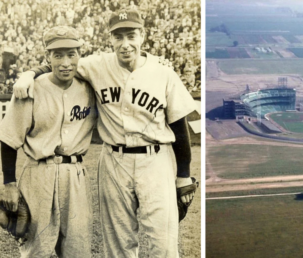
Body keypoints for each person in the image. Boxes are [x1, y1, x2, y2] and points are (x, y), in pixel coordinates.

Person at [14, 7, 197, 258]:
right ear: (110, 39)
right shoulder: (95, 66)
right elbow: (60, 62)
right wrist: (29, 74)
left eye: (131, 35)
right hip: (113, 160)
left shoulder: (164, 73)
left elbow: (180, 125)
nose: (125, 44)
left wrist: (184, 174)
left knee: (162, 243)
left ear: (142, 35)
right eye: (118, 37)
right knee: (117, 243)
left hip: (156, 160)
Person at [0, 26, 97, 257]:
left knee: (78, 249)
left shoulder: (89, 87)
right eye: (58, 55)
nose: (65, 62)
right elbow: (8, 139)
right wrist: (10, 184)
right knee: (36, 250)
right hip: (38, 174)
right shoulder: (31, 88)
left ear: (79, 55)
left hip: (75, 175)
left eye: (71, 54)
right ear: (47, 57)